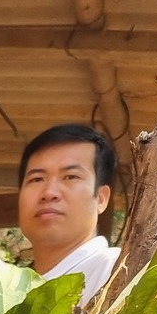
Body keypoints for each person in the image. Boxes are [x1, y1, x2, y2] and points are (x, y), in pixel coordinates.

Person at [17, 122, 120, 302]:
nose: (49, 193)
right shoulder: (11, 295)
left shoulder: (117, 271)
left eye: (71, 177)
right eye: (36, 179)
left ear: (101, 199)